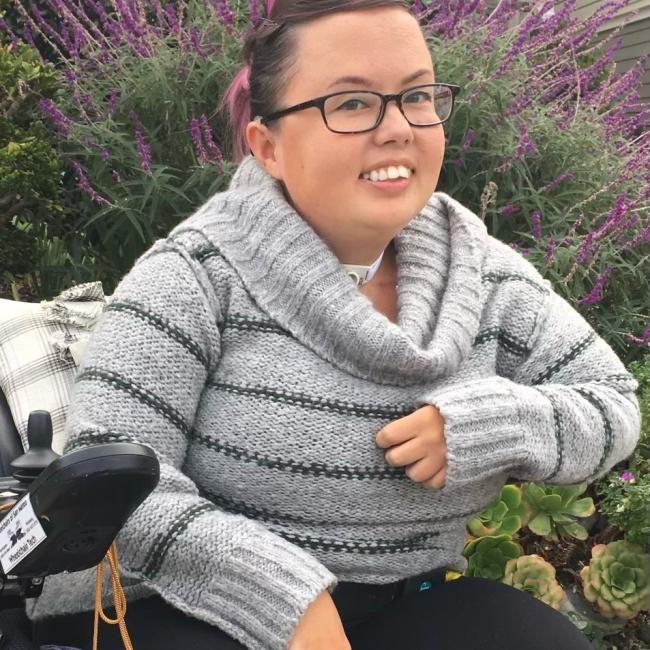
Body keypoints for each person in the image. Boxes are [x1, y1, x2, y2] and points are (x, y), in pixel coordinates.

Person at [29, 1, 640, 649]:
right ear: (268, 145)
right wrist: (285, 598)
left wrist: (493, 425)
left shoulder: (485, 275)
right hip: (184, 604)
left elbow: (611, 404)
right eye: (351, 104)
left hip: (405, 600)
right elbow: (115, 485)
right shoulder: (196, 276)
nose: (398, 127)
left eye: (418, 95)